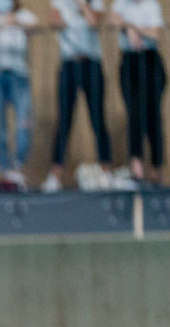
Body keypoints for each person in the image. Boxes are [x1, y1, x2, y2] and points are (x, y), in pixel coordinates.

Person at [41, 0, 114, 192]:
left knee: (98, 119)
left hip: (91, 63)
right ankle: (56, 175)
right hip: (69, 64)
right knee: (64, 121)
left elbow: (94, 23)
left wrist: (83, 6)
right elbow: (54, 22)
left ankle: (106, 172)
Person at [0, 0, 38, 191]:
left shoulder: (23, 15)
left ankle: (17, 166)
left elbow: (35, 24)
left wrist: (15, 21)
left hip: (19, 75)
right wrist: (3, 22)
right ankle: (6, 172)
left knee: (24, 122)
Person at [110, 0, 166, 187]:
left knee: (153, 116)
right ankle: (137, 168)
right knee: (134, 114)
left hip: (150, 61)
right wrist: (128, 27)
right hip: (130, 62)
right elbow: (113, 19)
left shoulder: (151, 5)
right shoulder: (121, 4)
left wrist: (134, 28)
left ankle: (157, 169)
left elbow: (156, 34)